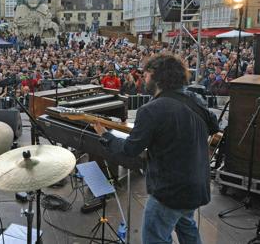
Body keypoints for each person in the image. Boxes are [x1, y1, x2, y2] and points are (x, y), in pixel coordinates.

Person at [92, 54, 219, 244]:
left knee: (155, 238)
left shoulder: (151, 109)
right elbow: (213, 126)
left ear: (155, 75)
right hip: (197, 184)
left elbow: (130, 149)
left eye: (145, 75)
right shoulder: (195, 99)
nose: (143, 79)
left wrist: (105, 135)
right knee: (187, 228)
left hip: (169, 191)